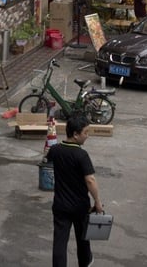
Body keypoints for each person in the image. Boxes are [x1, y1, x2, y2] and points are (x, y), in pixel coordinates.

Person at [48, 114, 103, 267]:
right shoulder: (81, 155)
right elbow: (90, 180)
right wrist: (97, 201)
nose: (87, 136)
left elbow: (46, 160)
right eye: (85, 132)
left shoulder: (56, 150)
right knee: (83, 238)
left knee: (59, 241)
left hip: (60, 205)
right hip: (80, 206)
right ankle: (85, 263)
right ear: (75, 134)